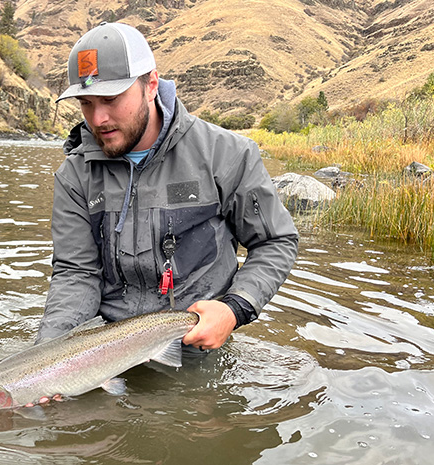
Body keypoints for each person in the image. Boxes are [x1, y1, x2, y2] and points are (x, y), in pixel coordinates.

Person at [36, 22, 298, 352]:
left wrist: (234, 308)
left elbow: (276, 241)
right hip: (108, 351)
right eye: (86, 103)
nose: (98, 118)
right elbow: (76, 274)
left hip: (198, 346)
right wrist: (48, 357)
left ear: (151, 86)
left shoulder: (227, 154)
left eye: (110, 99)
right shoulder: (75, 174)